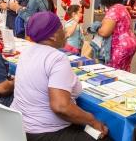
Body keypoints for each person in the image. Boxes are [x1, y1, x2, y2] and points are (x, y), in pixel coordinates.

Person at [11, 11, 111, 141]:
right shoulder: (57, 58)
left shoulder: (27, 52)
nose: (65, 31)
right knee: (106, 135)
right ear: (52, 36)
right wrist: (92, 120)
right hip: (44, 132)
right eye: (61, 28)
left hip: (19, 126)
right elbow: (61, 107)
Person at [99, 0, 136, 72]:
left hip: (120, 46)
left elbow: (104, 32)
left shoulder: (113, 9)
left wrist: (97, 29)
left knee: (113, 71)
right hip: (131, 42)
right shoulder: (123, 8)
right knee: (124, 70)